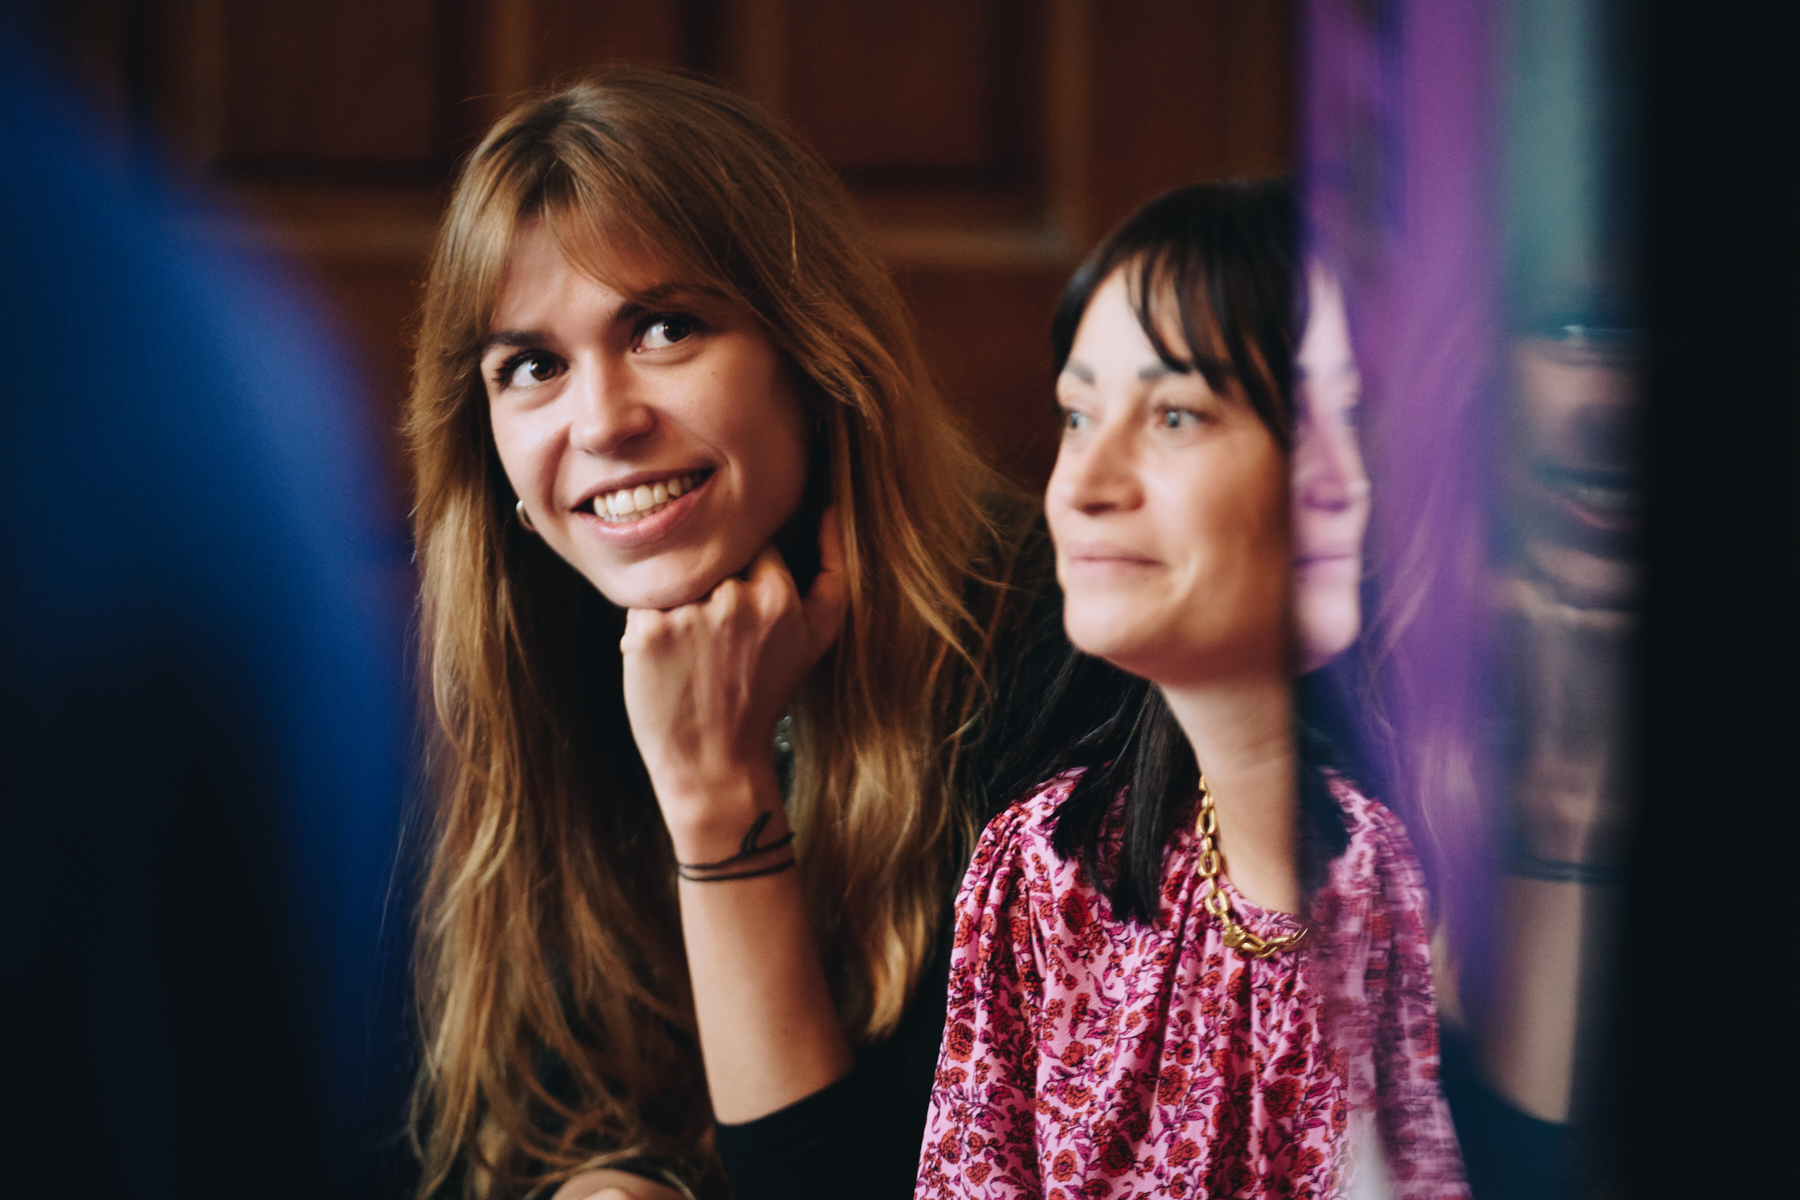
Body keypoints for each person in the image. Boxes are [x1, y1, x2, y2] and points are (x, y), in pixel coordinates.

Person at [405, 68, 1061, 1200]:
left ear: (814, 357)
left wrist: (719, 800)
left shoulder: (1061, 660)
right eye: (533, 366)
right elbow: (564, 1116)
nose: (602, 421)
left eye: (665, 328)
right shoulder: (554, 655)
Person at [913, 181, 1467, 1198]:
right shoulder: (1043, 871)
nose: (1083, 481)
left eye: (1174, 414)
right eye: (1078, 414)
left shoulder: (1434, 887)